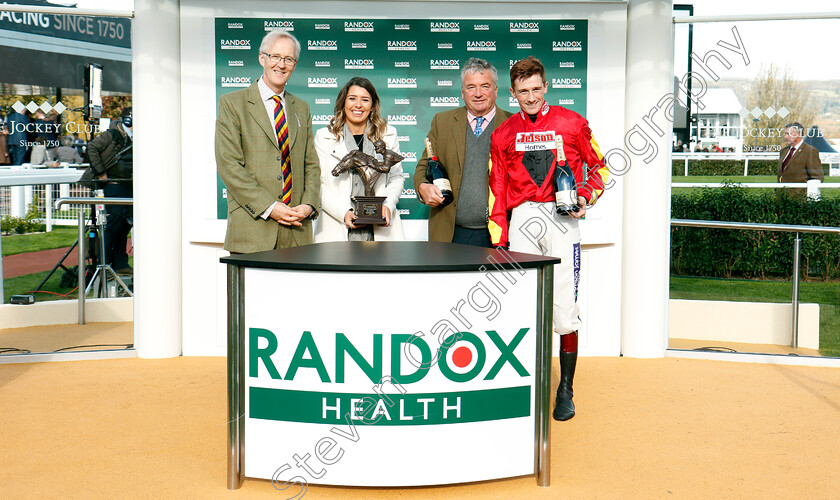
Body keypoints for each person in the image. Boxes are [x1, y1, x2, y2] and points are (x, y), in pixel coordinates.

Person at [489, 56, 608, 422]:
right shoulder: (503, 133)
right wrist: (499, 239)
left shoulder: (573, 123)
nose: (530, 96)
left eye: (536, 89)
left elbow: (600, 166)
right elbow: (497, 190)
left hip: (561, 219)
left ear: (546, 87)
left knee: (562, 307)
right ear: (512, 92)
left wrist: (584, 197)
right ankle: (531, 384)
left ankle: (565, 388)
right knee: (524, 306)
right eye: (522, 91)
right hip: (523, 218)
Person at [215, 29, 320, 253]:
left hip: (298, 229)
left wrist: (309, 205)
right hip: (253, 230)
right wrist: (271, 207)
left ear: (295, 64)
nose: (281, 65)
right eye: (275, 56)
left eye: (288, 59)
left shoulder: (302, 108)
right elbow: (229, 165)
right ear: (262, 58)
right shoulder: (232, 104)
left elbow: (311, 163)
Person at [413, 58, 513, 247]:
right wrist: (422, 187)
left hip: (500, 233)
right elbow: (423, 168)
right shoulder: (442, 122)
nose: (478, 94)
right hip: (450, 233)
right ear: (462, 92)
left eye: (485, 86)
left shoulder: (513, 124)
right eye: (470, 87)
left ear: (496, 90)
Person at [313, 77, 404, 242]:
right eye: (352, 98)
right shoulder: (324, 136)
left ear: (373, 105)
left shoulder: (389, 134)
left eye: (365, 100)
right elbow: (318, 184)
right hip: (336, 227)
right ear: (343, 102)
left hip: (381, 230)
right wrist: (344, 213)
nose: (358, 105)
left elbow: (396, 178)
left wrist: (388, 206)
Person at [87, 107, 134, 275]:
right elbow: (91, 147)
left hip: (128, 186)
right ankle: (104, 266)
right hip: (114, 186)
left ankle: (121, 264)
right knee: (112, 225)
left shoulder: (132, 136)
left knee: (123, 226)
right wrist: (101, 172)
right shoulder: (112, 134)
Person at [778, 122, 824, 198]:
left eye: (788, 134)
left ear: (798, 134)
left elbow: (817, 177)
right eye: (785, 134)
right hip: (781, 200)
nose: (785, 137)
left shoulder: (810, 151)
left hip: (799, 202)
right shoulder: (783, 151)